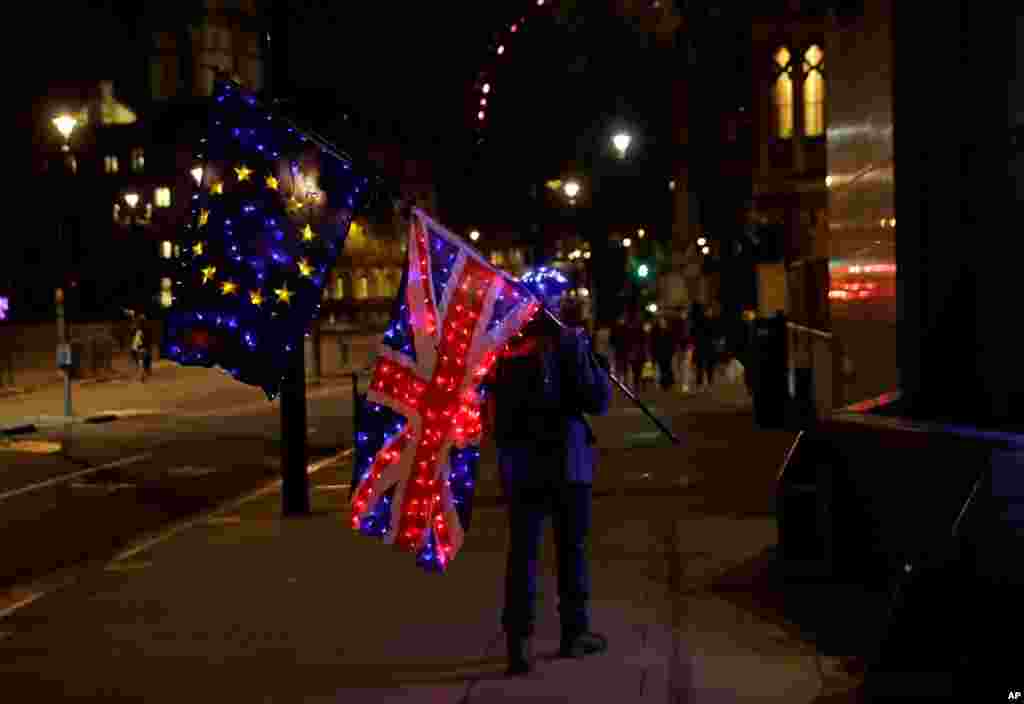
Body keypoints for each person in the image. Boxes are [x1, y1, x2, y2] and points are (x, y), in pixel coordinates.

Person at [483, 268, 612, 676]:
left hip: (521, 468)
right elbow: (596, 399)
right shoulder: (568, 343)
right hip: (567, 465)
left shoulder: (504, 350)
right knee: (571, 552)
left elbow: (497, 418)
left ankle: (518, 642)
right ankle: (574, 633)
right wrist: (590, 358)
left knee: (522, 555)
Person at [690, 302, 717, 391]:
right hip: (704, 346)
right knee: (703, 366)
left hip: (704, 346)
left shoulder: (708, 321)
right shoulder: (704, 321)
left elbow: (693, 333)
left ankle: (705, 383)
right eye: (709, 311)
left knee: (705, 366)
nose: (710, 312)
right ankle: (704, 383)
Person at [651, 316, 676, 391]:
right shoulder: (656, 332)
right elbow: (654, 343)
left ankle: (667, 383)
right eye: (661, 322)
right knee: (662, 369)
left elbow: (672, 343)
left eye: (664, 322)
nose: (663, 324)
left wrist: (672, 352)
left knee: (667, 368)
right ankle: (664, 383)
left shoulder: (669, 332)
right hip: (660, 353)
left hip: (667, 353)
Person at [130, 317, 151, 383]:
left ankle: (143, 374)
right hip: (141, 348)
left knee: (141, 362)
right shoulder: (141, 330)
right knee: (142, 362)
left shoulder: (139, 330)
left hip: (140, 348)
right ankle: (143, 374)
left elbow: (138, 340)